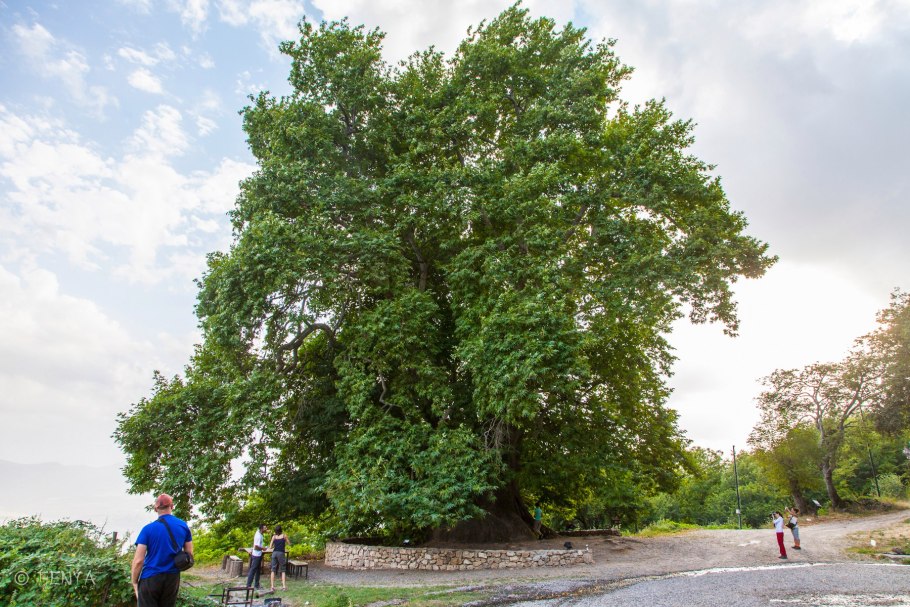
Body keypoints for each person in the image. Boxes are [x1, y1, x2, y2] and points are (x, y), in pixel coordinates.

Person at [131, 493, 193, 607]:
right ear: (172, 506)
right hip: (172, 578)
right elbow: (189, 554)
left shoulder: (147, 530)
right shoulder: (183, 526)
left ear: (155, 509)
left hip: (151, 577)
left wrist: (134, 581)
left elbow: (139, 560)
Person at [269, 524, 292, 591]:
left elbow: (270, 547)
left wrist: (274, 546)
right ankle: (284, 586)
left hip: (274, 553)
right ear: (281, 530)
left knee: (273, 570)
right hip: (281, 553)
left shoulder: (274, 537)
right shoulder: (284, 536)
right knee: (283, 570)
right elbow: (289, 543)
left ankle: (272, 587)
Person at [246, 524, 268, 590]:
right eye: (265, 528)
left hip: (258, 554)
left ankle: (256, 585)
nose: (266, 529)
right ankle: (248, 585)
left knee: (258, 570)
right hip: (256, 555)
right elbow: (256, 547)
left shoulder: (259, 532)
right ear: (261, 529)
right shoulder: (258, 536)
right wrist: (263, 548)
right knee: (253, 570)